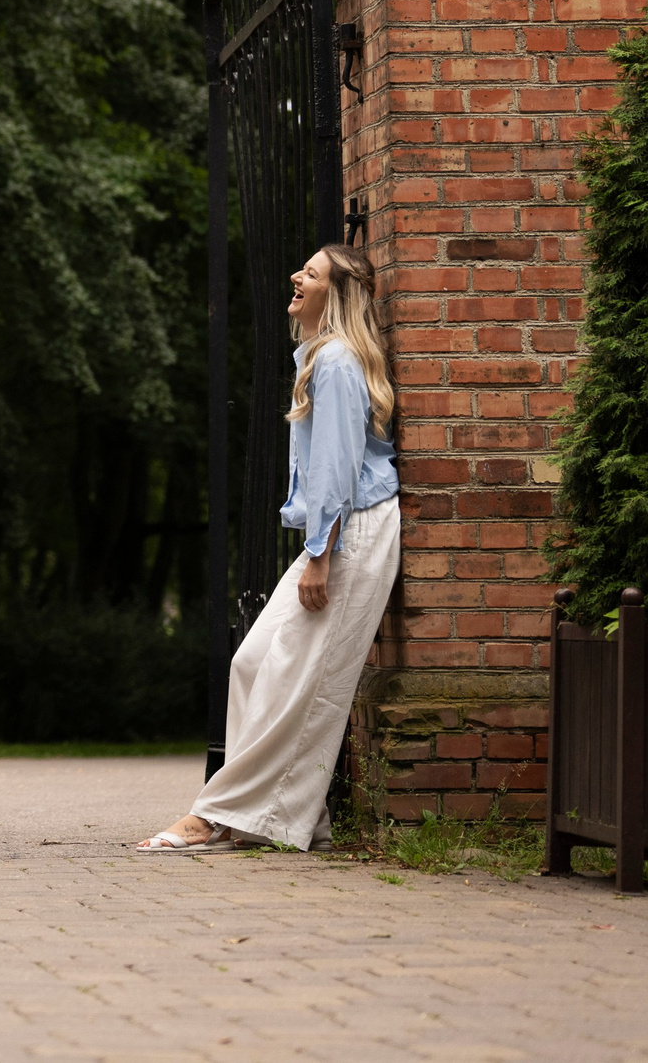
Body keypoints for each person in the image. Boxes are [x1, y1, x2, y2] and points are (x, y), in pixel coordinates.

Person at [136, 242, 401, 853]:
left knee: (301, 678)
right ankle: (280, 819)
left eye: (310, 273)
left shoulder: (334, 362)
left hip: (350, 532)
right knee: (253, 664)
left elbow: (335, 470)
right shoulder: (319, 356)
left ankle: (219, 816)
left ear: (335, 296)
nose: (295, 276)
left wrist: (320, 556)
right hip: (338, 531)